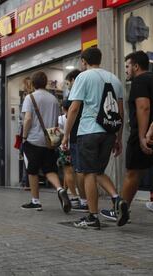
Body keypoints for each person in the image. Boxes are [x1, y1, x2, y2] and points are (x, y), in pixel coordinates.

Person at [62, 47, 128, 229]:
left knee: (89, 173)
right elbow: (121, 112)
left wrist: (66, 135)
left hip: (89, 131)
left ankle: (92, 217)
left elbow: (74, 109)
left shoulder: (83, 77)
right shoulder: (115, 79)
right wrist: (118, 137)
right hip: (109, 133)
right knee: (98, 171)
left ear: (84, 61)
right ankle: (117, 199)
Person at [101, 51, 153, 220]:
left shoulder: (139, 81)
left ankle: (120, 211)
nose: (126, 70)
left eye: (127, 66)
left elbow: (143, 107)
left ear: (136, 66)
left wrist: (142, 136)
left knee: (133, 173)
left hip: (145, 134)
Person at [20, 71, 71, 213]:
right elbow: (55, 121)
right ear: (45, 82)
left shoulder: (30, 98)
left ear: (33, 83)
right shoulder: (54, 99)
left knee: (32, 170)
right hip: (50, 140)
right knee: (49, 169)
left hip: (33, 140)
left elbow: (28, 119)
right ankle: (60, 189)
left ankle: (35, 201)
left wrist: (24, 137)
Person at [62, 70, 89, 212]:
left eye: (68, 83)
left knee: (79, 169)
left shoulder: (77, 92)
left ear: (74, 80)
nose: (69, 86)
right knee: (91, 171)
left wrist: (65, 135)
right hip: (88, 132)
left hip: (77, 134)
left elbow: (72, 110)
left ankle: (84, 201)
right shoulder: (89, 90)